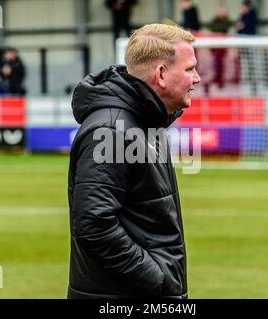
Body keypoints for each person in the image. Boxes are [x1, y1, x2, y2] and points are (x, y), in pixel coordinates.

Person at [67, 23, 201, 299]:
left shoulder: (146, 122)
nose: (197, 78)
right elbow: (95, 225)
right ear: (161, 75)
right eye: (189, 69)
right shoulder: (112, 130)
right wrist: (155, 281)